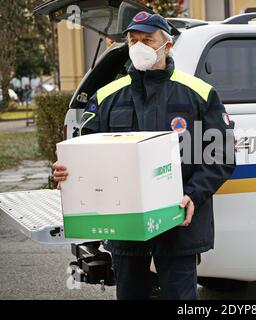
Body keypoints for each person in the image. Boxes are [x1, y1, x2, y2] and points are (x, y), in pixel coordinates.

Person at [52, 12, 236, 300]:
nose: (139, 46)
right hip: (125, 223)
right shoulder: (107, 96)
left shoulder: (199, 94)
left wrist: (194, 195)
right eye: (133, 40)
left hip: (178, 219)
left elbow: (221, 155)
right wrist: (67, 171)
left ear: (167, 45)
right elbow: (83, 151)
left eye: (148, 40)